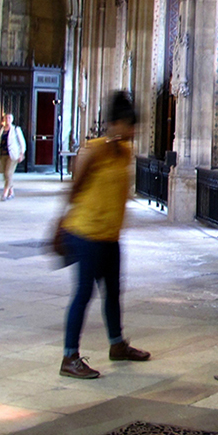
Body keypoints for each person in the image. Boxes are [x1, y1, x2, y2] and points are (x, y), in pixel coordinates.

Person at [55, 90, 150, 379]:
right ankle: (69, 356)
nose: (132, 132)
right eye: (128, 125)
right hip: (86, 234)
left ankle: (117, 344)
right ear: (114, 123)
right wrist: (59, 226)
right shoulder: (92, 150)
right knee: (84, 294)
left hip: (110, 237)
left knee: (113, 294)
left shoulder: (125, 152)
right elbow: (75, 189)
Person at [0, 112, 26, 200]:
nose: (7, 120)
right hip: (3, 154)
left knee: (8, 173)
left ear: (12, 120)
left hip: (13, 155)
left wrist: (21, 153)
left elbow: (22, 142)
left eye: (9, 118)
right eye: (6, 118)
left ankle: (5, 193)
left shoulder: (16, 129)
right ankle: (11, 192)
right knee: (5, 174)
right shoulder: (0, 130)